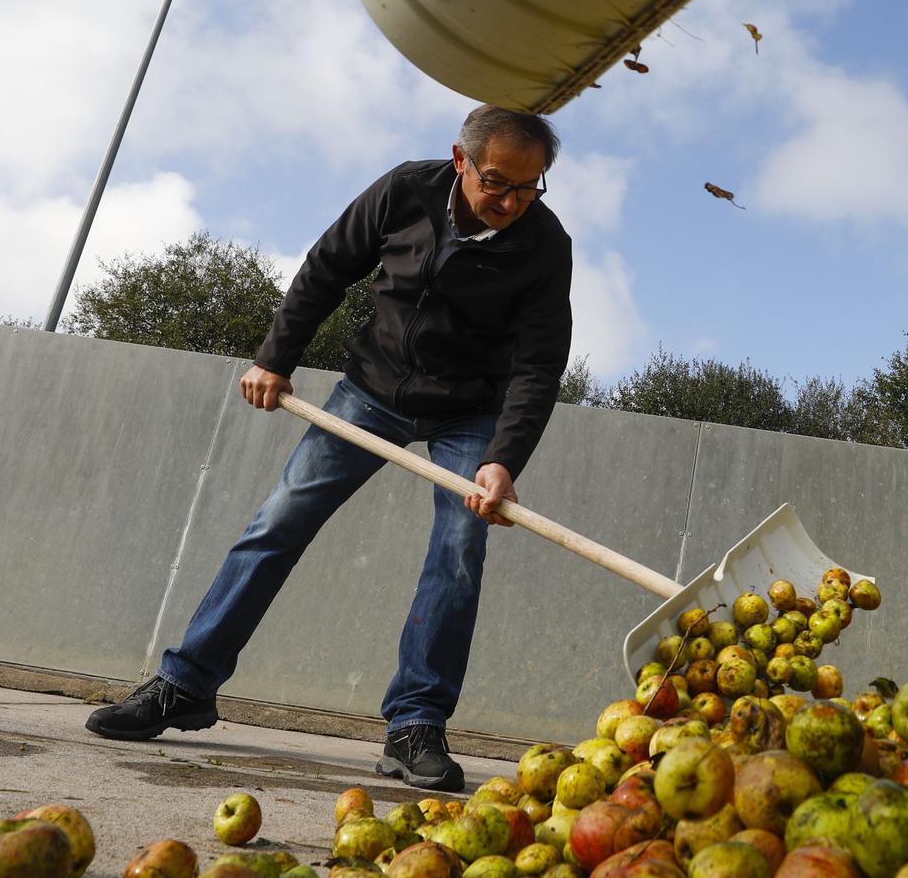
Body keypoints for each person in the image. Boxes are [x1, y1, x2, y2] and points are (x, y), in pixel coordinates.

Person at [86, 105, 572, 791]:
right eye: (497, 182)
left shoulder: (545, 245)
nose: (511, 202)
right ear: (460, 160)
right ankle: (185, 683)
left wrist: (503, 458)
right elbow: (326, 268)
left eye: (530, 188)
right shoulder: (405, 190)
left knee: (459, 549)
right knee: (277, 522)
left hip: (472, 409)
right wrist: (275, 357)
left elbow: (539, 364)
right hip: (373, 388)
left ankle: (415, 725)